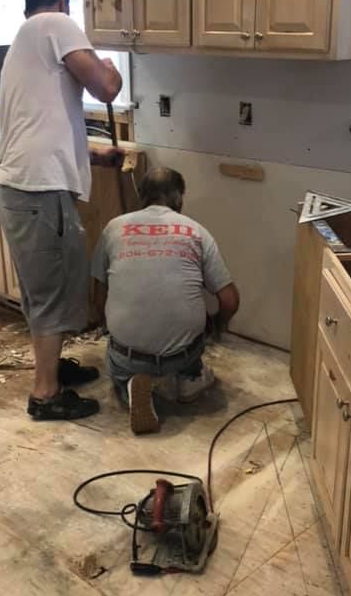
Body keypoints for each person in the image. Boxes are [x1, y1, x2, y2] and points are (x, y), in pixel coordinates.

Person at [0, 0, 123, 422]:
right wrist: (110, 66)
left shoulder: (22, 46)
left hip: (23, 187)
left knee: (43, 290)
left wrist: (96, 156)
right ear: (62, 3)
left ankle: (53, 368)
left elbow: (42, 127)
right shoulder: (56, 22)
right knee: (53, 292)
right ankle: (45, 394)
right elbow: (105, 89)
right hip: (36, 190)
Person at [91, 166, 240, 434]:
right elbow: (229, 300)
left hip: (129, 354)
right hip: (181, 353)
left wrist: (108, 325)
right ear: (179, 198)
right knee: (196, 325)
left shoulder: (113, 228)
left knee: (115, 360)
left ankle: (130, 385)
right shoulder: (197, 231)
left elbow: (98, 292)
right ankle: (189, 378)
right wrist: (218, 326)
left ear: (142, 195)